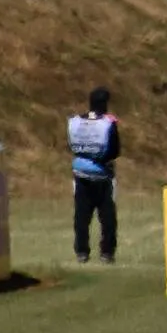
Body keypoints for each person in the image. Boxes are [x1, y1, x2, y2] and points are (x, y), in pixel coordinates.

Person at [67, 86, 120, 263]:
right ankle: (107, 253)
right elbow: (114, 150)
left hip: (80, 175)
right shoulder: (108, 124)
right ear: (105, 104)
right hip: (103, 177)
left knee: (81, 217)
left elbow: (72, 145)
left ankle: (81, 252)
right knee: (108, 218)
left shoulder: (76, 122)